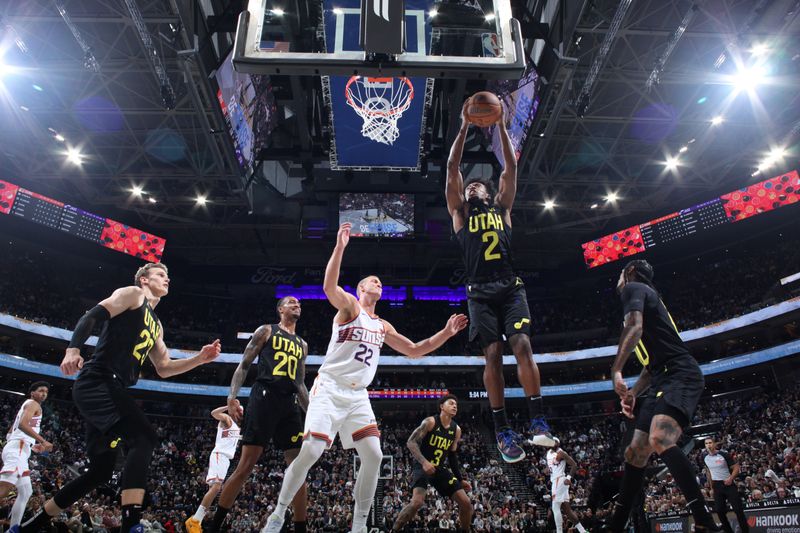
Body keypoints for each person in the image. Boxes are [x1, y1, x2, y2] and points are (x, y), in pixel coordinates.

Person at [262, 222, 468, 533]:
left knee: (374, 455)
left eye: (381, 282)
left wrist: (446, 332)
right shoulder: (351, 306)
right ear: (361, 289)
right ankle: (277, 515)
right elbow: (329, 288)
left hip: (358, 396)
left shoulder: (383, 325)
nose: (378, 283)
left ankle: (359, 526)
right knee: (313, 451)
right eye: (373, 280)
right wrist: (340, 247)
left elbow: (414, 350)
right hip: (330, 388)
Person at [21, 262, 222, 533]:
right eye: (161, 275)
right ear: (144, 280)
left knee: (100, 471)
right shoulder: (133, 295)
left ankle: (30, 526)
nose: (167, 279)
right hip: (99, 380)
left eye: (168, 276)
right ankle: (132, 525)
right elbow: (92, 316)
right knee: (145, 438)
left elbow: (164, 368)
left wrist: (199, 358)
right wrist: (73, 349)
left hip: (110, 387)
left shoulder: (157, 325)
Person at [446, 101, 554, 463]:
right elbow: (451, 168)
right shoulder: (459, 215)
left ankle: (539, 422)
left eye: (479, 185)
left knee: (522, 345)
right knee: (492, 354)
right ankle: (503, 429)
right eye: (470, 185)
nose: (474, 187)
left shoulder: (503, 210)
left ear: (489, 194)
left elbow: (511, 167)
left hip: (510, 287)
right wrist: (464, 127)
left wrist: (503, 128)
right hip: (479, 293)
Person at [607, 259, 720, 532]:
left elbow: (633, 329)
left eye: (621, 273)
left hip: (681, 374)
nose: (619, 278)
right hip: (662, 377)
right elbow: (650, 366)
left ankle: (703, 519)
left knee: (659, 437)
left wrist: (616, 370)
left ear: (631, 273)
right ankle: (615, 526)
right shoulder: (647, 298)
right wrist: (633, 393)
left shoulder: (633, 288)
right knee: (635, 453)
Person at [205, 296, 309, 533]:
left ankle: (301, 528)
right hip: (264, 397)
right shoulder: (267, 331)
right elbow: (244, 365)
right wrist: (232, 397)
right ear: (280, 309)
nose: (297, 305)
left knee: (299, 469)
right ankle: (215, 525)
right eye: (291, 302)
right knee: (246, 466)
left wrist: (313, 414)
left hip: (289, 404)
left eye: (299, 304)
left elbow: (301, 384)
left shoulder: (302, 344)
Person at [392, 394, 473, 533]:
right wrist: (424, 462)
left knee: (466, 504)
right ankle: (394, 530)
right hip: (422, 465)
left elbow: (452, 456)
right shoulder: (430, 422)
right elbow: (411, 442)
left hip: (439, 468)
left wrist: (460, 479)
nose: (455, 406)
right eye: (451, 403)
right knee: (417, 502)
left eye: (456, 405)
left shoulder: (456, 430)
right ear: (442, 406)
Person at [0, 382, 53, 532]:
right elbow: (23, 425)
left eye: (46, 392)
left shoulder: (27, 405)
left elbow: (11, 432)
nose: (44, 394)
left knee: (26, 491)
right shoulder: (33, 404)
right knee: (4, 488)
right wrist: (42, 441)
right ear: (32, 393)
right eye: (41, 390)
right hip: (18, 449)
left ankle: (13, 529)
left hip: (19, 448)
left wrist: (30, 444)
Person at [184, 406, 241, 532]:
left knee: (213, 490)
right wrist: (228, 407)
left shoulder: (237, 428)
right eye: (238, 411)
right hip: (219, 455)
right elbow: (213, 413)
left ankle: (196, 520)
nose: (240, 413)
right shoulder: (226, 419)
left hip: (226, 460)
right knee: (216, 487)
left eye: (241, 411)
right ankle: (195, 520)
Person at [703, 437, 749, 533]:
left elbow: (736, 467)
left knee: (738, 509)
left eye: (710, 442)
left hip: (728, 484)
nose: (708, 445)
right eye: (706, 443)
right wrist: (711, 488)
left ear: (714, 444)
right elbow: (708, 471)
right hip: (717, 486)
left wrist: (731, 478)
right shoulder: (704, 457)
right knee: (719, 511)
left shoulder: (723, 454)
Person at [546, 438, 588, 533]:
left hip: (560, 480)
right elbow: (551, 466)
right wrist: (548, 471)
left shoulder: (561, 453)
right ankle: (583, 531)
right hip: (556, 480)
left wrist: (568, 478)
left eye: (555, 441)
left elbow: (574, 465)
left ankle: (559, 531)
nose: (553, 442)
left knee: (555, 507)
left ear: (558, 443)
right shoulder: (548, 453)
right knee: (567, 510)